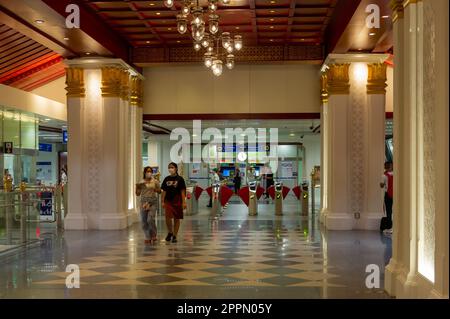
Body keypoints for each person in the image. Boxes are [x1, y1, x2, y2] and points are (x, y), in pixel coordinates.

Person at [161, 162, 186, 243]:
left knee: (176, 218)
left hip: (177, 200)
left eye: (172, 167)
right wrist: (162, 201)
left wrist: (184, 202)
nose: (170, 169)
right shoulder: (166, 179)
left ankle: (175, 235)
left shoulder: (180, 179)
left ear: (176, 168)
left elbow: (182, 191)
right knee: (167, 217)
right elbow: (164, 191)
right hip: (168, 200)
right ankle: (170, 232)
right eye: (169, 167)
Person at [136, 167, 161, 244]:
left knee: (150, 219)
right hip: (144, 202)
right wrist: (137, 188)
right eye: (147, 171)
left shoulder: (155, 181)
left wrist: (155, 190)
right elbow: (137, 194)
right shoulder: (141, 182)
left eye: (150, 171)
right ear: (144, 172)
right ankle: (147, 236)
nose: (149, 173)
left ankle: (153, 234)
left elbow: (160, 191)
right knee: (144, 221)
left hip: (152, 202)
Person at [380, 162, 394, 234]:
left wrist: (382, 184)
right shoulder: (396, 174)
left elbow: (381, 186)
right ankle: (392, 227)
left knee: (389, 211)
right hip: (395, 194)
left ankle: (389, 227)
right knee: (392, 211)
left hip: (388, 195)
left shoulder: (384, 175)